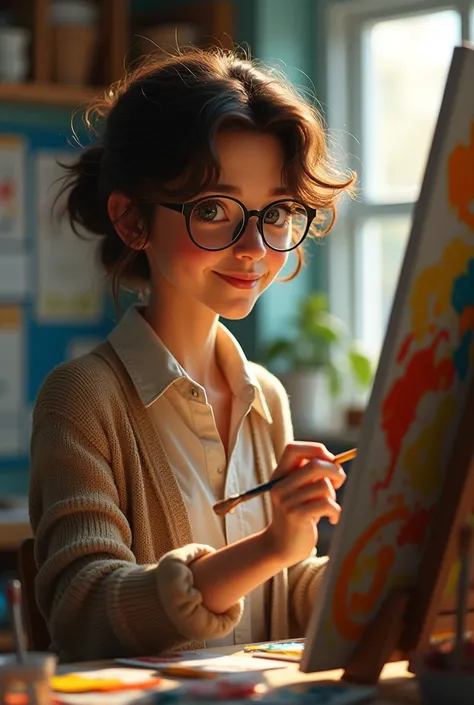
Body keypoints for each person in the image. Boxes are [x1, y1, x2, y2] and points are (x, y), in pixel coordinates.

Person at [29, 47, 355, 662]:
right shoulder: (84, 397)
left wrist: (415, 566)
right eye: (213, 210)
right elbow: (84, 611)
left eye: (278, 212)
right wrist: (269, 549)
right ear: (131, 220)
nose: (255, 246)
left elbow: (280, 600)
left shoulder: (266, 396)